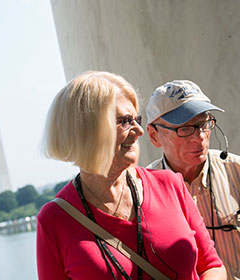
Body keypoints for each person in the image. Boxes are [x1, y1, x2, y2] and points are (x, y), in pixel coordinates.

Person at [36, 71, 226, 280]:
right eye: (125, 121)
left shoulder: (170, 184)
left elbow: (211, 265)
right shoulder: (54, 220)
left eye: (137, 119)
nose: (139, 131)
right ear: (87, 131)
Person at [146, 80, 239, 280]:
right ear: (154, 136)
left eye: (204, 124)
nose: (200, 137)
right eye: (185, 128)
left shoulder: (236, 171)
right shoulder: (142, 191)